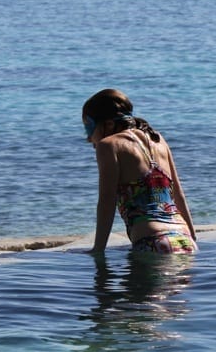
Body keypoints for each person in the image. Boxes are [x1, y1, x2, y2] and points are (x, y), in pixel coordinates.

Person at [82, 88, 197, 254]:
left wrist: (98, 249)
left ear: (108, 124)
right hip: (185, 239)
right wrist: (192, 237)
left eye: (89, 128)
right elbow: (178, 195)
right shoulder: (158, 139)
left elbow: (107, 200)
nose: (88, 138)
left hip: (151, 240)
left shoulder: (108, 145)